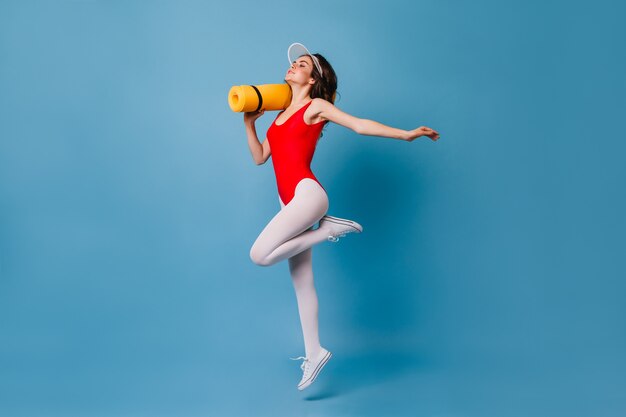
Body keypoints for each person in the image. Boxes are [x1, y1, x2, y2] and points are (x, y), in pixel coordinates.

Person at [243, 43, 440, 391]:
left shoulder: (316, 106)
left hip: (308, 196)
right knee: (302, 282)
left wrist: (407, 134)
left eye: (301, 64)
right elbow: (260, 158)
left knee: (259, 255)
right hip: (288, 202)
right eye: (292, 63)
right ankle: (314, 352)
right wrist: (249, 124)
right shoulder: (279, 113)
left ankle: (327, 230)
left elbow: (359, 125)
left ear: (313, 78)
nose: (292, 67)